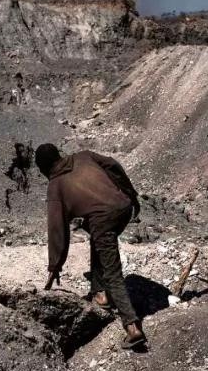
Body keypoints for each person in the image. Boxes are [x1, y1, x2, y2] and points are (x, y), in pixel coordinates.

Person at [35, 143, 146, 349]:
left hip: (103, 220)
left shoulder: (56, 186)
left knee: (112, 271)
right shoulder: (84, 156)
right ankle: (100, 294)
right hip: (123, 206)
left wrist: (55, 266)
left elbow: (57, 229)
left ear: (43, 169)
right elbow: (113, 165)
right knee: (97, 238)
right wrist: (131, 194)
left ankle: (132, 326)